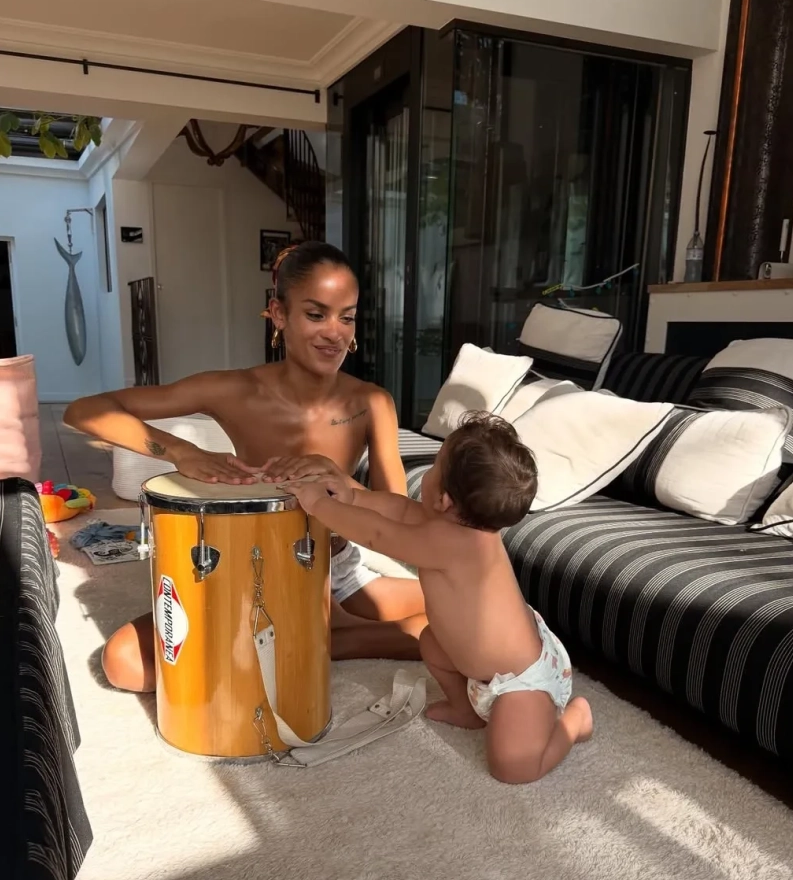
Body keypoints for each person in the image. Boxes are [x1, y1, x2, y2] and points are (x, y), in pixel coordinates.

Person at [63, 241, 427, 693]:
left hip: (338, 568)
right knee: (124, 662)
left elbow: (398, 518)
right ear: (278, 314)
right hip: (252, 569)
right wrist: (180, 450)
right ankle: (323, 635)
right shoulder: (234, 389)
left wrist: (341, 481)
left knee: (465, 609)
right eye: (316, 315)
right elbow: (85, 410)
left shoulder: (371, 401)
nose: (335, 333)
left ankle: (325, 635)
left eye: (347, 317)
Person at [285, 412, 593, 785]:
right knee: (431, 641)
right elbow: (398, 510)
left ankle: (575, 721)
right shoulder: (448, 527)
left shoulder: (459, 544)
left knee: (513, 768)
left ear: (444, 499)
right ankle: (466, 710)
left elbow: (380, 535)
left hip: (523, 681)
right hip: (480, 666)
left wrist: (321, 506)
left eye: (434, 466)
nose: (428, 473)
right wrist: (352, 497)